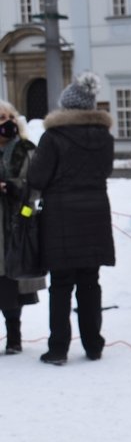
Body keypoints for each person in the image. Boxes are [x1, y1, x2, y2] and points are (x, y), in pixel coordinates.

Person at [27, 72, 115, 365]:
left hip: (61, 218)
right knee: (91, 281)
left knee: (61, 284)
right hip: (95, 216)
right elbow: (104, 171)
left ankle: (58, 348)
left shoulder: (52, 137)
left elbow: (37, 177)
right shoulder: (105, 137)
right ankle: (93, 345)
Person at [0, 100, 45, 355]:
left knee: (11, 282)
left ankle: (14, 337)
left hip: (17, 223)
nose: (5, 122)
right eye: (0, 118)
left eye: (8, 116)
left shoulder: (27, 149)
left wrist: (14, 188)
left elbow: (36, 185)